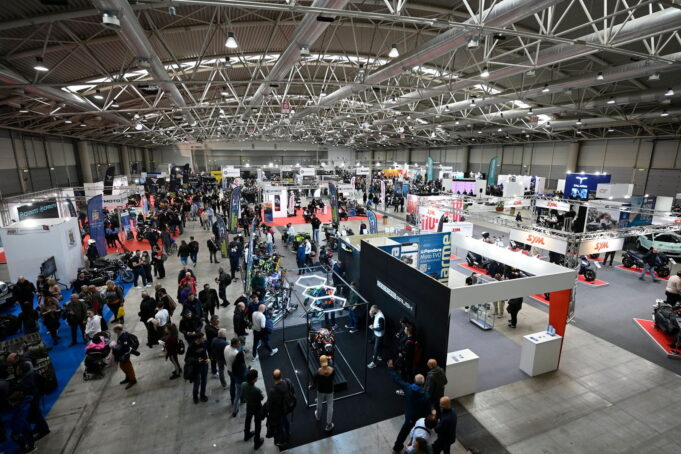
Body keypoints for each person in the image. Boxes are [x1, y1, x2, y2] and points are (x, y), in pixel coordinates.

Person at [387, 360, 432, 454]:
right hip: (420, 419)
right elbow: (428, 410)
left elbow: (397, 380)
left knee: (404, 432)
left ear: (414, 381)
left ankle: (397, 447)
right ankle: (414, 447)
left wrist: (391, 368)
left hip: (409, 416)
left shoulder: (408, 388)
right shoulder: (426, 396)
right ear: (423, 383)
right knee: (418, 433)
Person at [267, 369, 294, 448]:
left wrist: (268, 410)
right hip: (287, 407)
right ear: (281, 375)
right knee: (285, 420)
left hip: (278, 411)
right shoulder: (287, 382)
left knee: (280, 425)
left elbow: (269, 404)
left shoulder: (272, 391)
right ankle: (288, 433)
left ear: (273, 378)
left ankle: (283, 440)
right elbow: (292, 391)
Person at [242, 368, 265, 450]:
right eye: (256, 376)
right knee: (257, 424)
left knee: (248, 419)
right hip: (257, 407)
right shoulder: (256, 390)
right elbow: (262, 398)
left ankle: (246, 434)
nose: (257, 377)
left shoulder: (243, 384)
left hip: (249, 405)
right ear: (253, 379)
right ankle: (257, 442)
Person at [313, 355, 335, 432]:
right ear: (327, 361)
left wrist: (311, 387)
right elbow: (333, 379)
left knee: (319, 403)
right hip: (329, 390)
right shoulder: (332, 370)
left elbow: (314, 383)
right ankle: (329, 424)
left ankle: (318, 416)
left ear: (320, 362)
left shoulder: (318, 372)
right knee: (330, 406)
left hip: (321, 390)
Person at [112, 324, 138, 389]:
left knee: (128, 367)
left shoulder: (124, 336)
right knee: (122, 366)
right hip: (121, 353)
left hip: (125, 353)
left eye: (114, 329)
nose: (113, 331)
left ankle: (133, 380)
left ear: (118, 329)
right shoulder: (120, 334)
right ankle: (128, 377)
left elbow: (126, 346)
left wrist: (118, 348)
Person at [186, 332, 209, 403]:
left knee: (204, 381)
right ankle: (195, 396)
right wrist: (196, 360)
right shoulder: (191, 347)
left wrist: (209, 359)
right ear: (198, 339)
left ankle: (202, 395)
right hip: (196, 367)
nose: (204, 339)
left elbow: (208, 351)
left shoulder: (204, 343)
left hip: (205, 365)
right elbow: (187, 359)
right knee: (197, 383)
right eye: (203, 338)